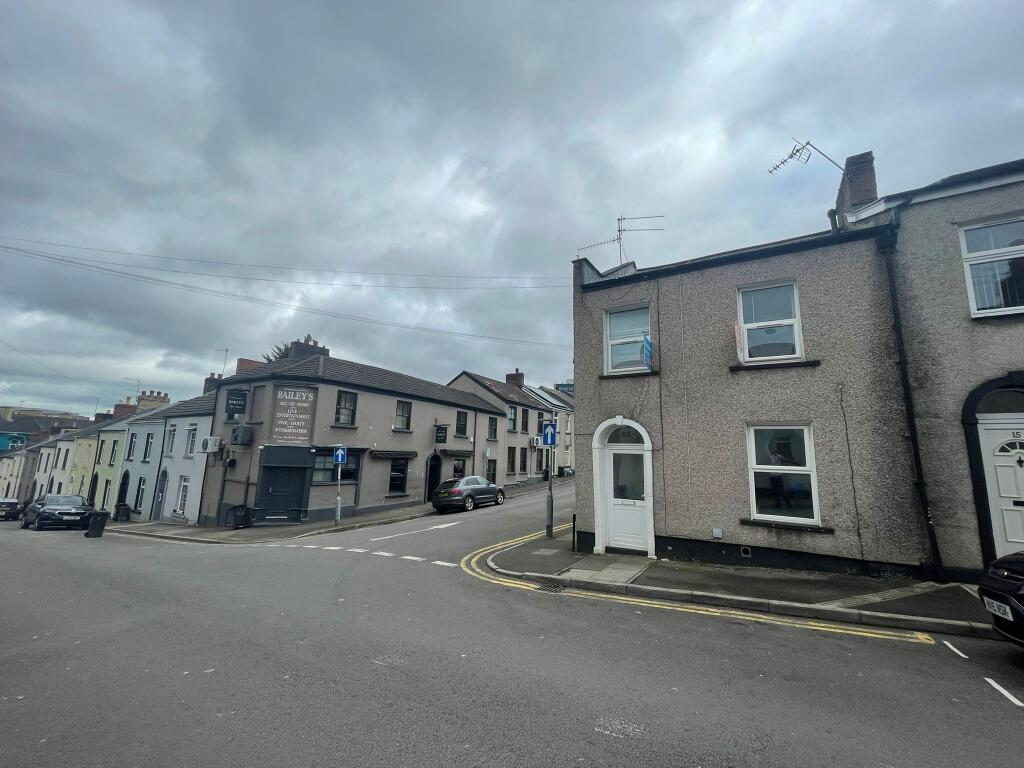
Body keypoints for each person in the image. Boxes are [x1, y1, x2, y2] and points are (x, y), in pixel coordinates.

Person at [768, 443, 792, 509]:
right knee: (774, 491)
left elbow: (785, 460)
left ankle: (788, 504)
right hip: (772, 476)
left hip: (778, 476)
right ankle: (777, 504)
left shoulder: (779, 456)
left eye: (776, 450)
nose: (775, 451)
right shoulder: (769, 457)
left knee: (781, 490)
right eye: (773, 450)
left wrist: (792, 463)